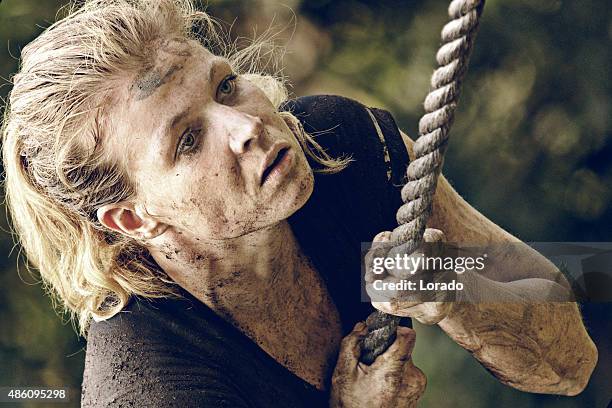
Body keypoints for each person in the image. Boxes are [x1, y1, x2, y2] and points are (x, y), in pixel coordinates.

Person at [1, 0, 597, 407]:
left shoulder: (346, 149)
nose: (244, 126)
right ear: (134, 218)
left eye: (225, 85)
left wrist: (452, 283)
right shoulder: (159, 388)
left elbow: (570, 361)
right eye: (187, 139)